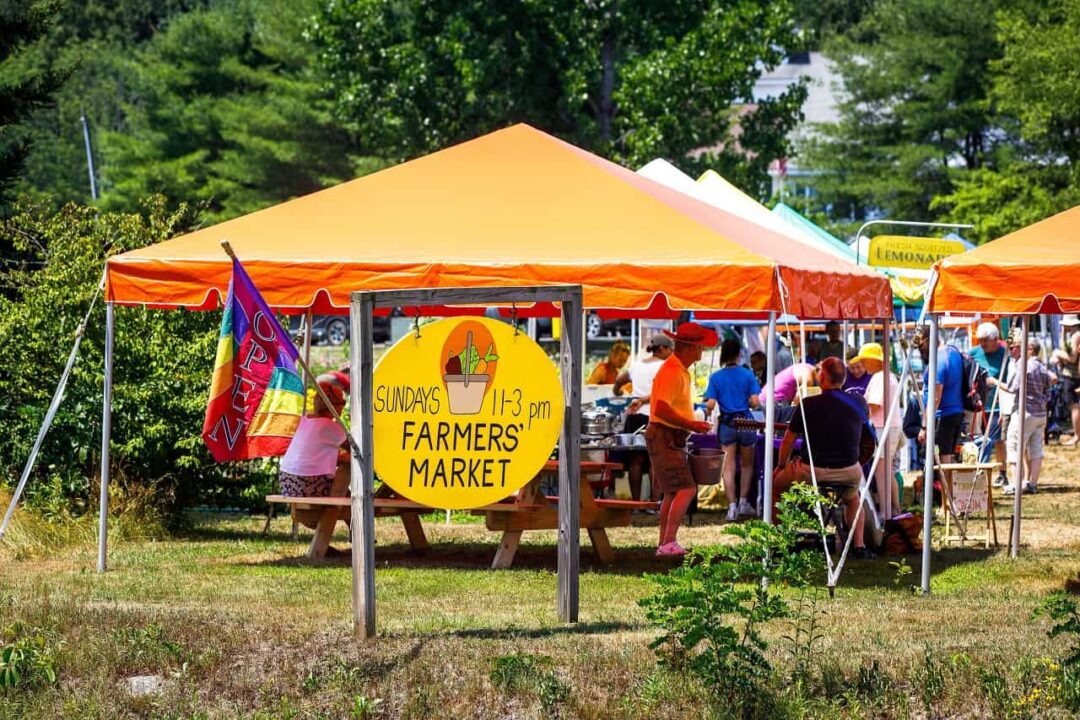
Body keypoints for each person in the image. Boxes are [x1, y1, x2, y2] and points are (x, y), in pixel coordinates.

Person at [772, 357, 875, 558]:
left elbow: (787, 442)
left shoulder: (808, 404)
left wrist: (781, 465)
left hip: (811, 472)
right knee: (852, 498)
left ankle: (781, 541)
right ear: (843, 378)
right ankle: (859, 546)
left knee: (775, 485)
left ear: (823, 377)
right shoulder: (859, 402)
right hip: (849, 472)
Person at [645, 322, 717, 557]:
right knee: (686, 488)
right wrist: (692, 424)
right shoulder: (673, 370)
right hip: (664, 435)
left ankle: (664, 543)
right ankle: (668, 542)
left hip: (667, 436)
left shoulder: (677, 369)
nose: (702, 351)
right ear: (689, 347)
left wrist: (689, 424)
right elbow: (661, 408)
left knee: (672, 491)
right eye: (699, 347)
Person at [704, 338, 762, 522]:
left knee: (728, 468)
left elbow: (710, 404)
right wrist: (746, 402)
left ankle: (731, 508)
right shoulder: (747, 374)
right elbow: (755, 402)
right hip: (746, 422)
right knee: (747, 465)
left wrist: (708, 412)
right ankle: (744, 503)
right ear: (738, 353)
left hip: (727, 423)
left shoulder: (716, 377)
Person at [612, 336, 674, 500]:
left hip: (634, 417)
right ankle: (654, 502)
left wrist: (618, 392)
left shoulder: (637, 365)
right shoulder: (665, 367)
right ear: (662, 349)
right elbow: (661, 394)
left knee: (636, 461)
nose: (672, 353)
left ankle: (636, 503)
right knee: (655, 460)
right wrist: (643, 400)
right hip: (655, 417)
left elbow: (618, 380)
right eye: (670, 349)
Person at [279, 370, 350, 498]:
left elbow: (314, 454)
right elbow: (354, 448)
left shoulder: (304, 420)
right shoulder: (329, 426)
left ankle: (343, 505)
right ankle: (334, 507)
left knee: (344, 462)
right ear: (334, 406)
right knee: (349, 465)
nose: (344, 406)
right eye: (343, 402)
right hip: (307, 485)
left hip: (287, 483)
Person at [1003, 336, 1055, 495]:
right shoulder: (1042, 366)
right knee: (1036, 449)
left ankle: (1016, 484)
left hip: (1025, 412)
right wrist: (1042, 400)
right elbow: (1051, 386)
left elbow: (1012, 387)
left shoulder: (1024, 365)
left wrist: (994, 382)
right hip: (1040, 413)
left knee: (1014, 446)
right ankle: (1032, 484)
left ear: (1030, 349)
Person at [858, 343, 901, 518]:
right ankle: (894, 509)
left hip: (882, 427)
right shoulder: (889, 376)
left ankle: (885, 512)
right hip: (890, 426)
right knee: (886, 471)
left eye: (864, 360)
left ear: (873, 360)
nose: (862, 364)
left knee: (881, 472)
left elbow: (874, 405)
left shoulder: (879, 377)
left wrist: (859, 408)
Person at [914, 326, 965, 466]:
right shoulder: (953, 351)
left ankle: (944, 482)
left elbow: (935, 397)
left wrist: (924, 427)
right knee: (946, 456)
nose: (920, 351)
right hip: (955, 412)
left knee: (943, 459)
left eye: (920, 346)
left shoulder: (938, 361)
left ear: (927, 341)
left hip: (943, 416)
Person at [970, 322, 1009, 485]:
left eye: (985, 340)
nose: (982, 344)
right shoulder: (974, 353)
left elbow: (1010, 380)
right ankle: (977, 472)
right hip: (977, 406)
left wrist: (995, 383)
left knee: (997, 440)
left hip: (997, 405)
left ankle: (1002, 473)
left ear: (995, 339)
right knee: (977, 440)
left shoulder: (1005, 354)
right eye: (980, 340)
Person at [1052, 315, 1080, 446]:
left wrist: (1057, 353)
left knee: (1074, 406)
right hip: (1072, 375)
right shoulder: (1073, 334)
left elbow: (1072, 358)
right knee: (1074, 406)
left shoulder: (1075, 336)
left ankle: (1077, 435)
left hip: (1072, 375)